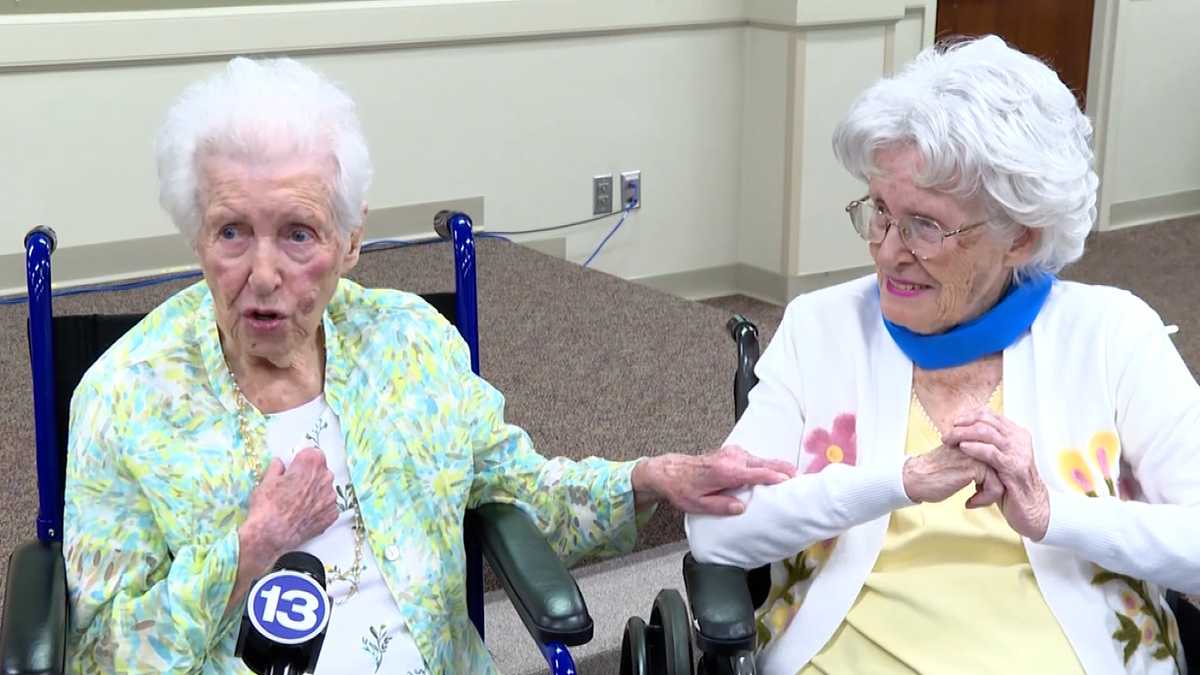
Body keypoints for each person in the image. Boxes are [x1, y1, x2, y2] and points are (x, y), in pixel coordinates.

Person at [62, 56, 795, 674]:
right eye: (230, 231)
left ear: (352, 241)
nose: (262, 273)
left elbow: (522, 492)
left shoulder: (410, 344)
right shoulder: (124, 396)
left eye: (297, 234)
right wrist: (248, 549)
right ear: (195, 236)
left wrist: (649, 477)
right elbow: (100, 650)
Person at [686, 35, 1199, 674]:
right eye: (879, 211)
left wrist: (1050, 513)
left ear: (1020, 236)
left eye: (925, 225)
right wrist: (898, 481)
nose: (886, 249)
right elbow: (716, 531)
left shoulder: (1112, 333)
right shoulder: (821, 329)